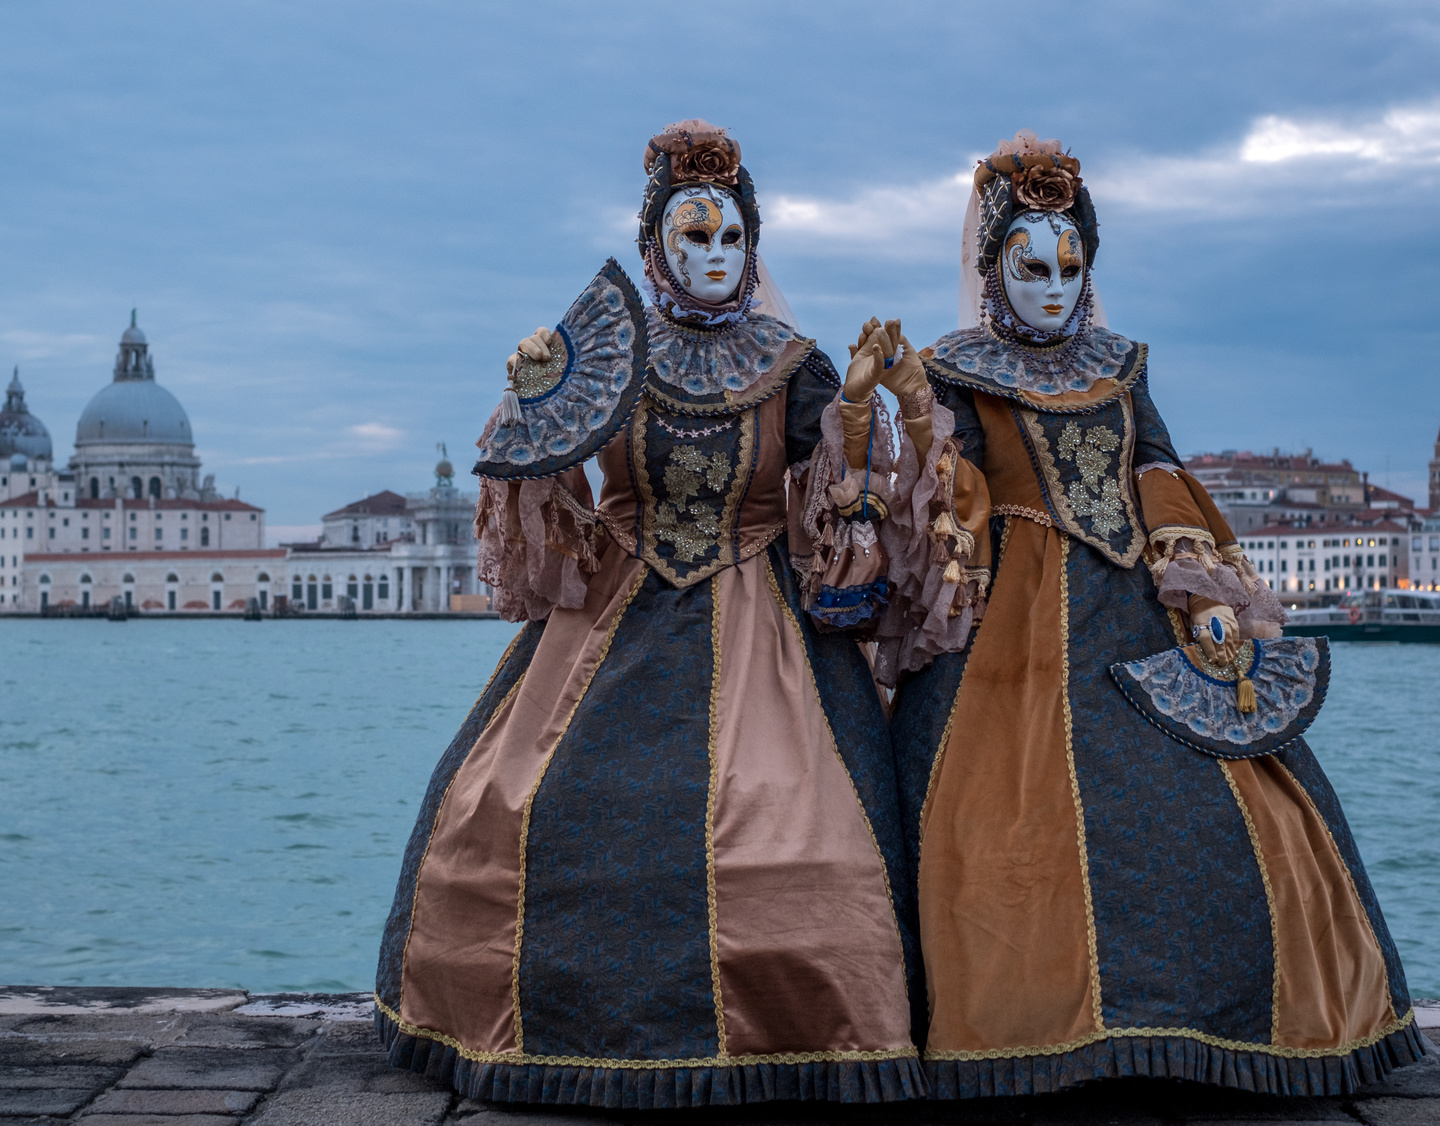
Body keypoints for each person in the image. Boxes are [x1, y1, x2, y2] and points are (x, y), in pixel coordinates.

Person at [841, 130, 1425, 1097]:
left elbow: (1155, 465)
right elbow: (950, 507)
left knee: (1229, 815)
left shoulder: (1123, 364)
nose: (1055, 286)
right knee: (1000, 829)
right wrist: (914, 410)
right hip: (1009, 634)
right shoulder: (954, 368)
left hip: (1139, 605)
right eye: (1031, 266)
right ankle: (1034, 1033)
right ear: (992, 270)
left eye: (1072, 265)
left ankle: (1201, 1027)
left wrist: (1191, 576)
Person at [373, 120, 927, 1109]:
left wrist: (850, 423)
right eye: (691, 237)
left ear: (752, 249)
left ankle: (795, 1023)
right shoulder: (608, 355)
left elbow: (833, 514)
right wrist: (530, 408)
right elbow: (551, 494)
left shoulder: (793, 366)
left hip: (766, 624)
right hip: (613, 613)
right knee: (532, 802)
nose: (713, 258)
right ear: (651, 249)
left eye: (728, 240)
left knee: (798, 821)